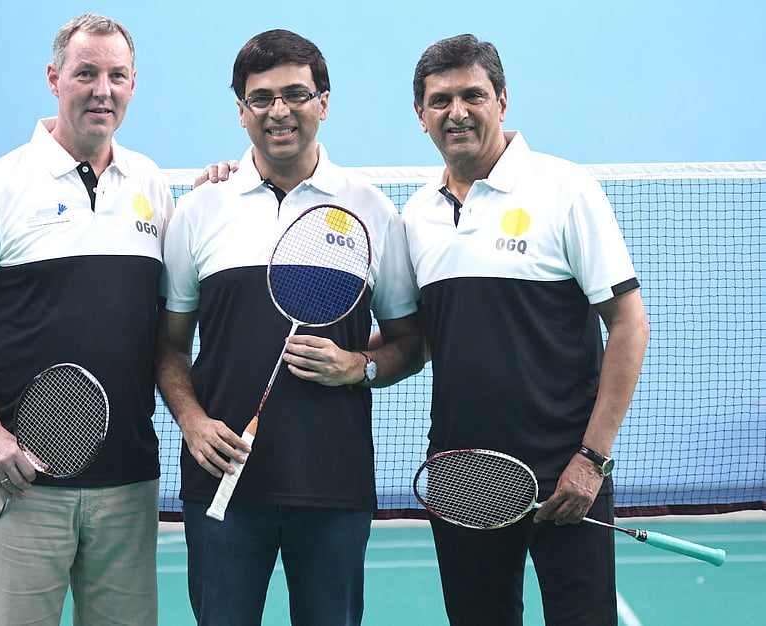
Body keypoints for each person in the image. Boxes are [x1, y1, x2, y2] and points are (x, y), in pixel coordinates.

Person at [155, 29, 424, 626]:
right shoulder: (199, 209)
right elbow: (170, 346)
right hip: (221, 485)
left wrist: (360, 366)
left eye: (296, 94)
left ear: (323, 102)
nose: (279, 110)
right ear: (241, 111)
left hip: (333, 485)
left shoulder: (373, 211)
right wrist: (192, 422)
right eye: (261, 97)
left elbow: (412, 341)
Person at [0, 14, 172, 625]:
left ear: (134, 84)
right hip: (22, 486)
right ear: (53, 77)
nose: (102, 90)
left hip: (128, 482)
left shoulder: (153, 185)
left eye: (117, 76)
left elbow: (172, 322)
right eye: (86, 73)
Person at [402, 34, 650, 625]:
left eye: (473, 96)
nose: (457, 112)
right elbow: (417, 340)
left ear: (503, 101)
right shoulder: (415, 216)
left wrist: (592, 459)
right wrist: (352, 362)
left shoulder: (565, 190)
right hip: (463, 476)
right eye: (440, 101)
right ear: (421, 115)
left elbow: (629, 324)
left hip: (566, 475)